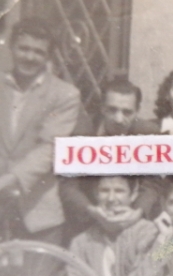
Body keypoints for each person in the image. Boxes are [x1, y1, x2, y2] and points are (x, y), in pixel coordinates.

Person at [0, 18, 83, 276]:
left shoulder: (64, 94)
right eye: (24, 48)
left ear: (48, 55)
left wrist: (10, 179)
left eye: (38, 52)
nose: (29, 57)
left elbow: (50, 147)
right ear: (12, 48)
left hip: (37, 211)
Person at [56, 176, 159, 276]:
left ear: (133, 195)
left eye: (119, 191)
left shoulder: (151, 233)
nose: (111, 199)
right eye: (104, 191)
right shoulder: (81, 242)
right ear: (95, 194)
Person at [61, 75, 162, 233]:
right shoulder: (81, 133)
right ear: (102, 108)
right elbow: (68, 186)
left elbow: (152, 183)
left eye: (127, 112)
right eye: (112, 110)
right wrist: (92, 211)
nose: (119, 119)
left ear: (137, 111)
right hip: (90, 217)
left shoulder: (148, 133)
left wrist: (137, 213)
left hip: (133, 215)